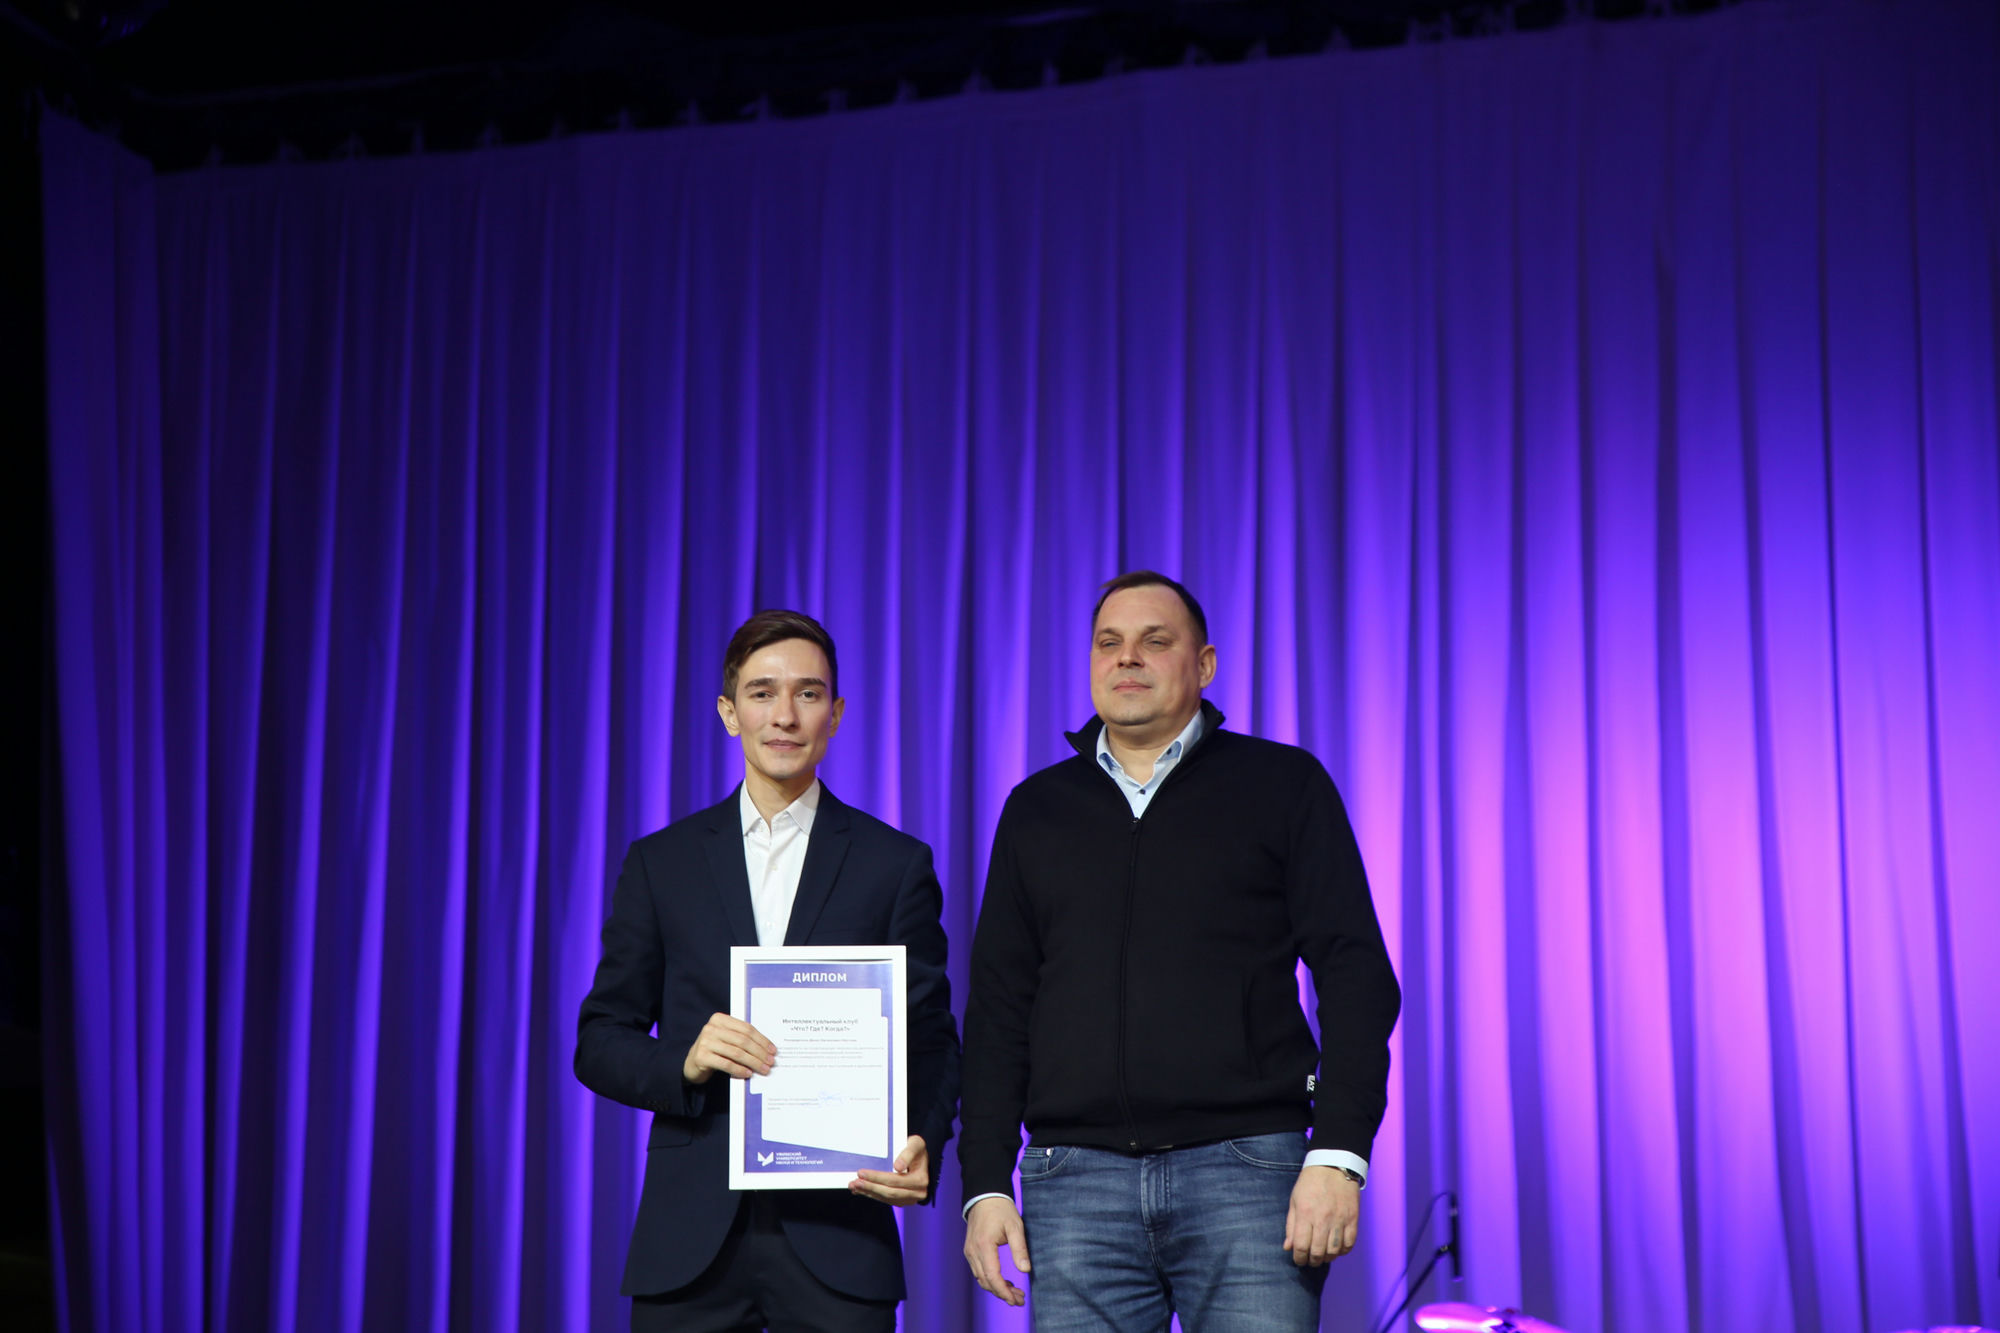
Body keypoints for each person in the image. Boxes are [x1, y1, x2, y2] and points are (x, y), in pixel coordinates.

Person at [958, 571, 1401, 1331]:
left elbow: (1356, 975)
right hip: (1074, 1181)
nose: (1127, 657)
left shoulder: (1282, 784)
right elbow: (999, 1007)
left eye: (1155, 641)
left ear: (1205, 664)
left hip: (1249, 1174)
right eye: (1109, 642)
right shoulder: (1036, 809)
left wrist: (1337, 1154)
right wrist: (987, 1183)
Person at [576, 609, 961, 1332]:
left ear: (836, 714)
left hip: (842, 1230)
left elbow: (933, 1038)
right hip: (688, 1241)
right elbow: (599, 1039)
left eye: (808, 693)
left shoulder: (894, 864)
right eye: (761, 692)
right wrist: (683, 1063)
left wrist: (924, 1140)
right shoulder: (663, 862)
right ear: (729, 713)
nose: (785, 715)